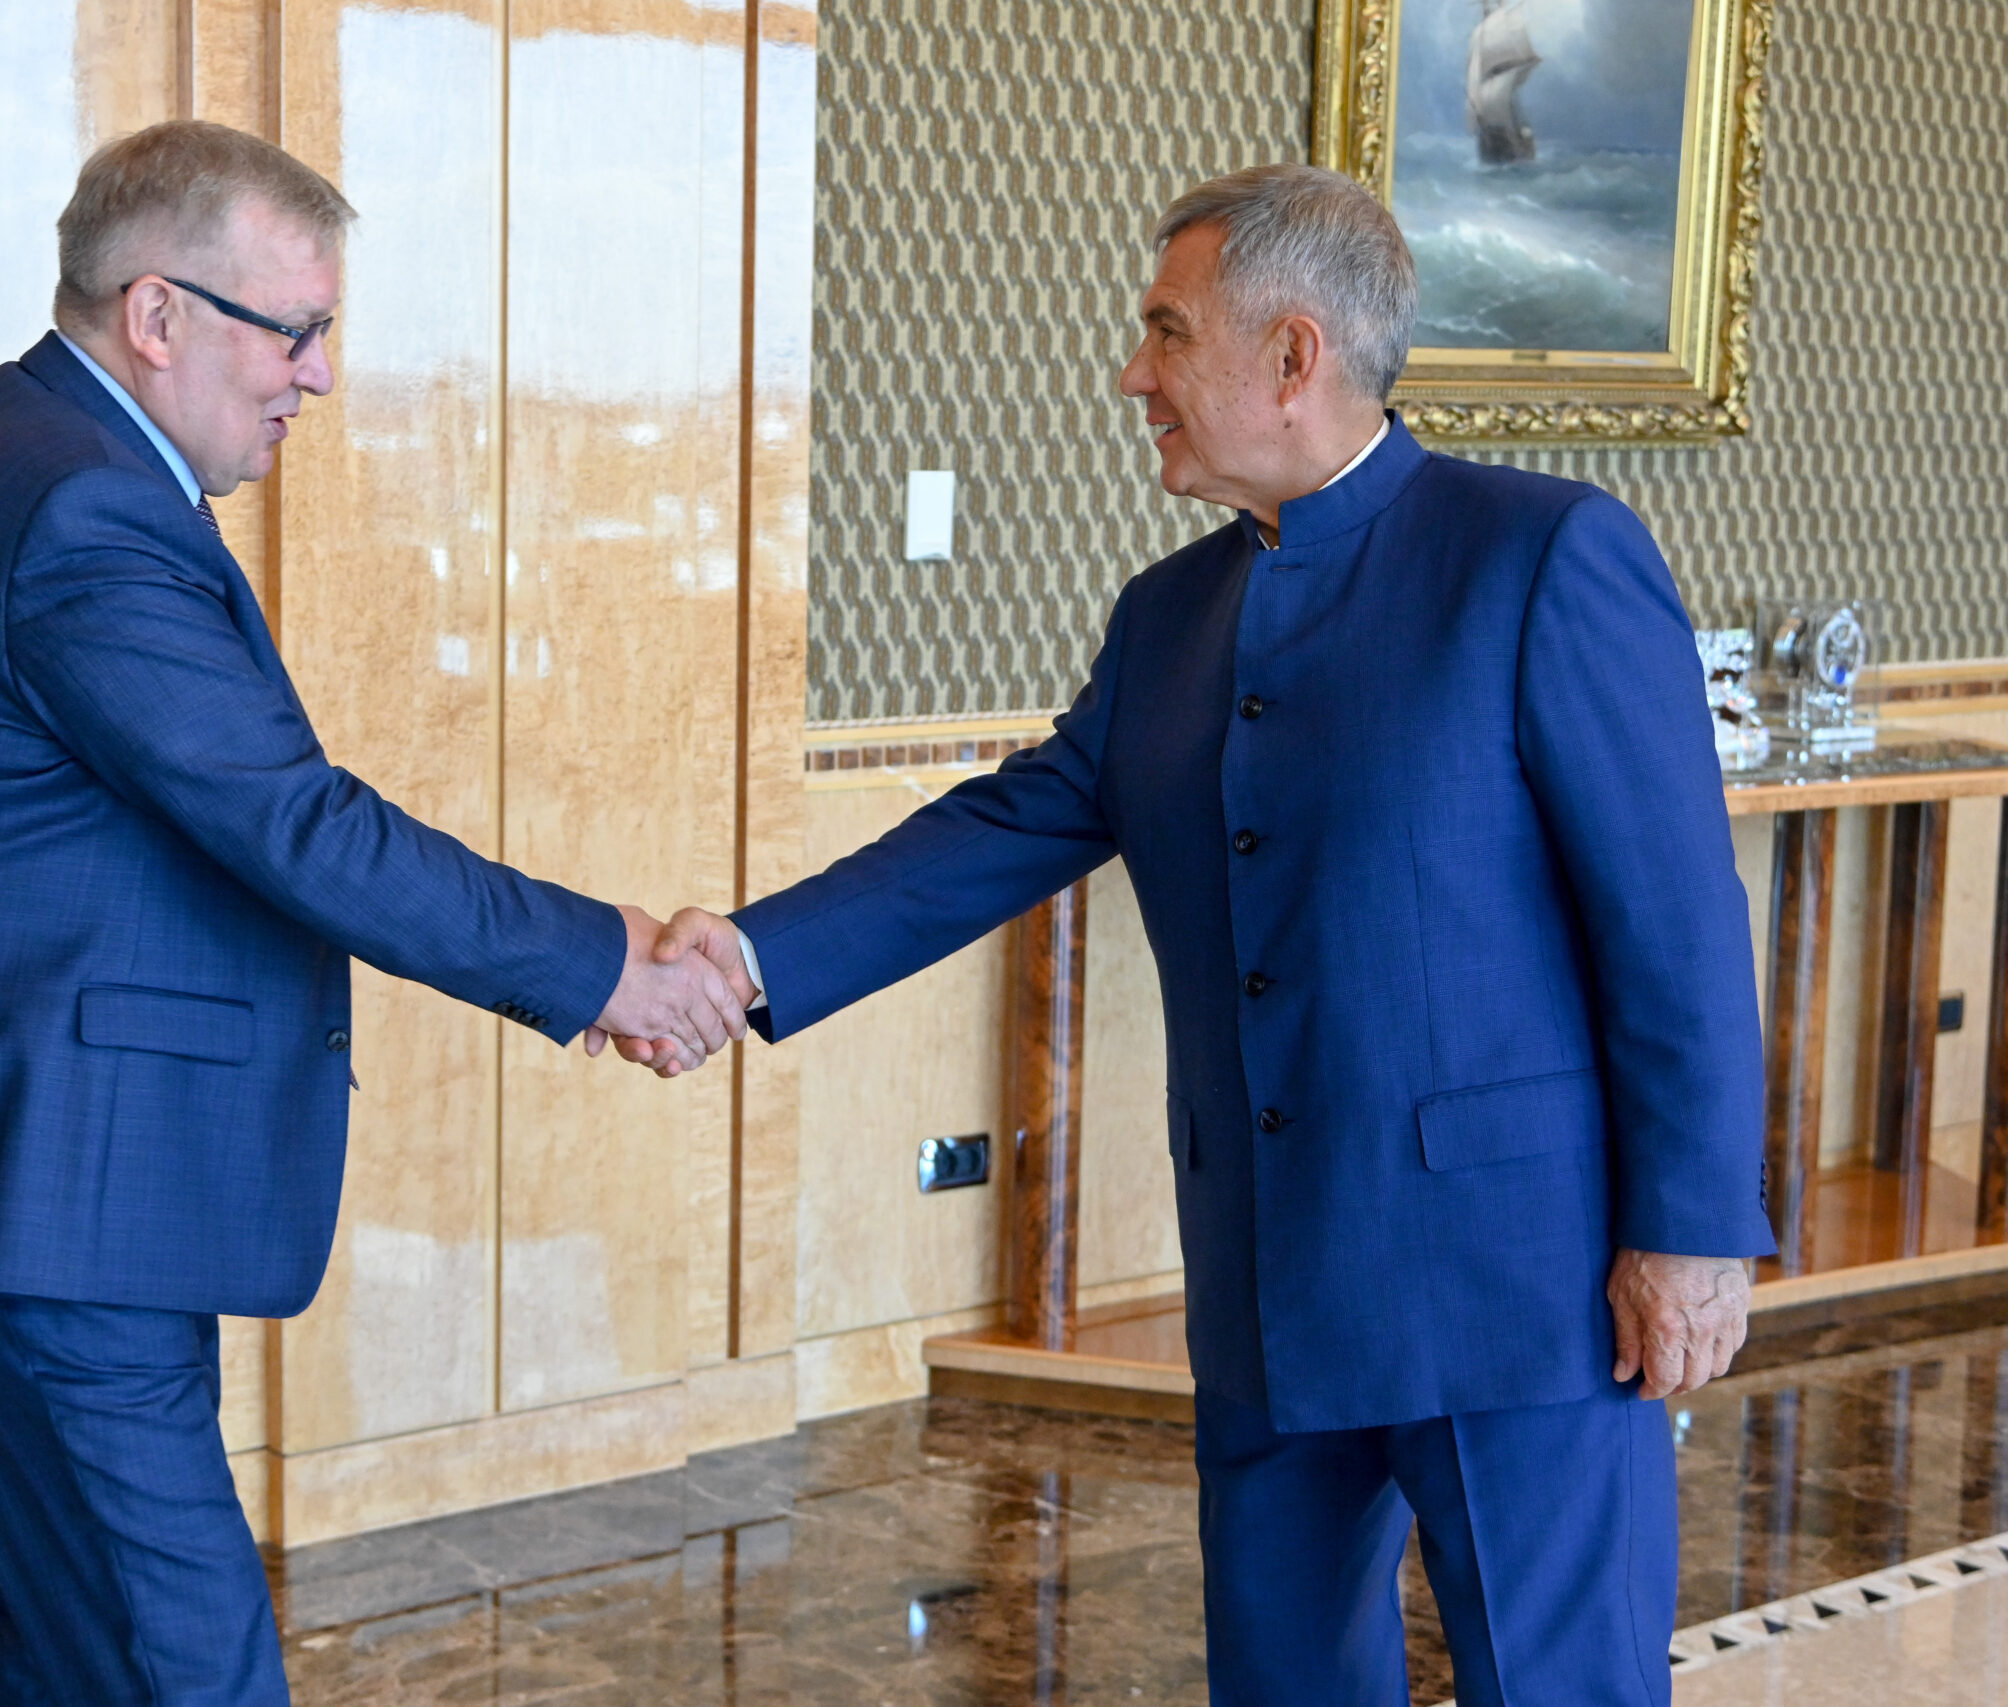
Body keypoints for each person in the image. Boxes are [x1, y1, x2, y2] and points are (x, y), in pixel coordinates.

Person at [648, 164, 1770, 1705]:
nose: (1134, 375)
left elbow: (1678, 928)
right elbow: (1010, 825)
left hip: (1515, 1290)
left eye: (1167, 333)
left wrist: (1694, 1233)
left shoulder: (1540, 555)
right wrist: (748, 958)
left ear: (1293, 355)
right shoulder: (1167, 613)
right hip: (1268, 1283)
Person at [0, 120, 749, 1707]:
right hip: (42, 1186)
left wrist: (611, 950)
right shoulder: (77, 508)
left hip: (22, 1169)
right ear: (157, 315)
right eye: (295, 330)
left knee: (72, 1629)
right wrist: (605, 968)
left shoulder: (37, 452)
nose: (321, 376)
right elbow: (292, 824)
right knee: (182, 1662)